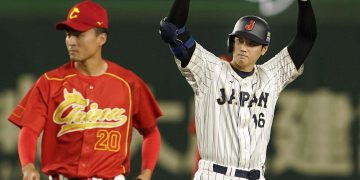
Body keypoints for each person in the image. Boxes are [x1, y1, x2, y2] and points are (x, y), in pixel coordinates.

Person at [159, 0, 316, 179]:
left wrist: (304, 2)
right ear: (232, 42)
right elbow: (173, 30)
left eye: (252, 43)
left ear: (264, 49)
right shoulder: (210, 70)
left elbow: (306, 38)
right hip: (214, 174)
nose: (243, 48)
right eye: (239, 40)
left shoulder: (271, 76)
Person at [8, 1, 162, 180]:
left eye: (79, 35)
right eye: (68, 35)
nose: (71, 42)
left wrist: (146, 172)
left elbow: (151, 131)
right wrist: (27, 166)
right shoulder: (50, 82)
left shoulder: (128, 83)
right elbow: (29, 130)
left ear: (101, 39)